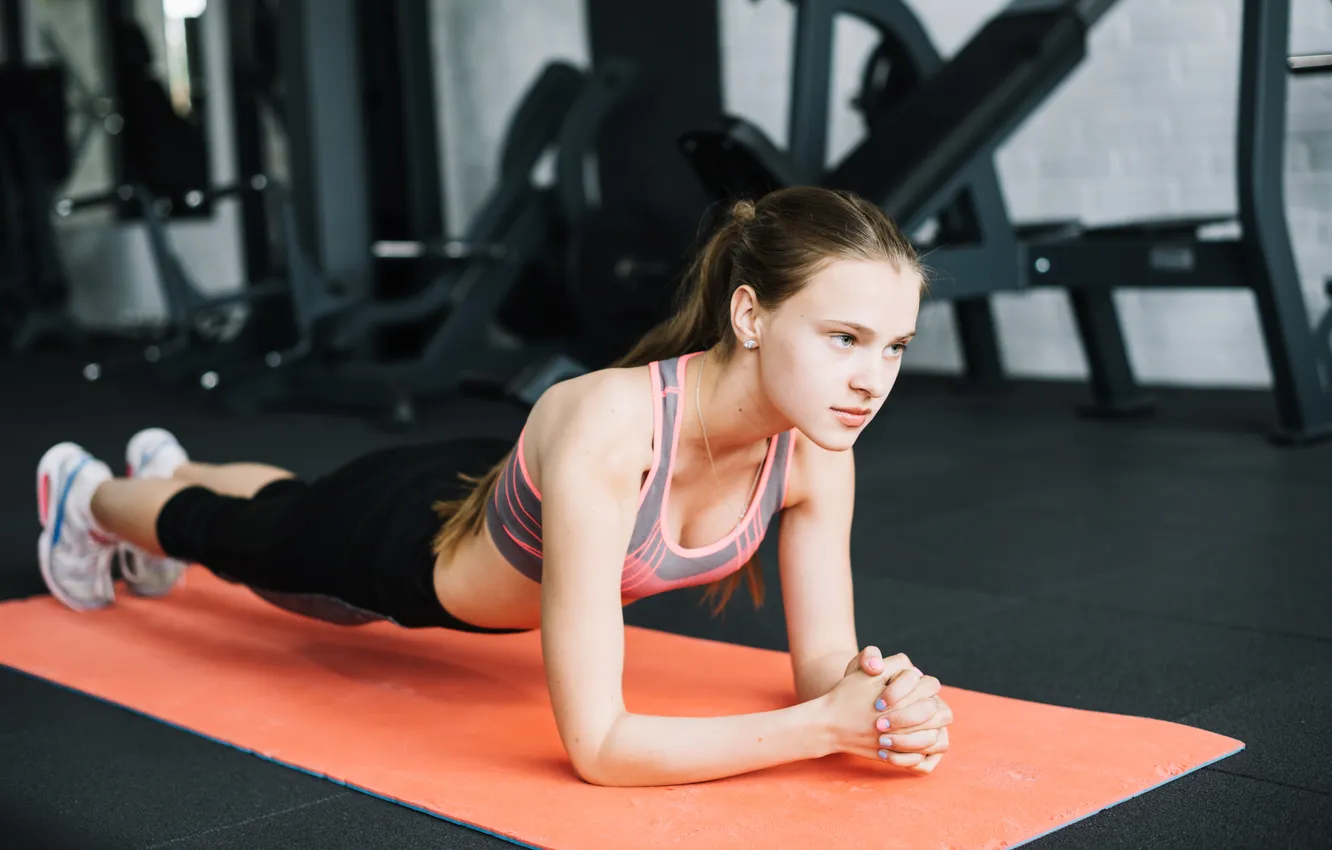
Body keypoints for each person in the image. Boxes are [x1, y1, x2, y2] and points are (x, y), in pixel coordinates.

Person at [35, 186, 954, 788]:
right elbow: (600, 746)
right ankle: (89, 498)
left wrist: (878, 701)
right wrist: (822, 730)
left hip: (479, 482)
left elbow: (822, 663)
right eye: (844, 338)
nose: (872, 379)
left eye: (894, 347)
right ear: (749, 314)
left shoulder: (816, 453)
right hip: (406, 550)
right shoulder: (614, 430)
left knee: (294, 502)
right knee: (245, 540)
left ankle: (170, 466)